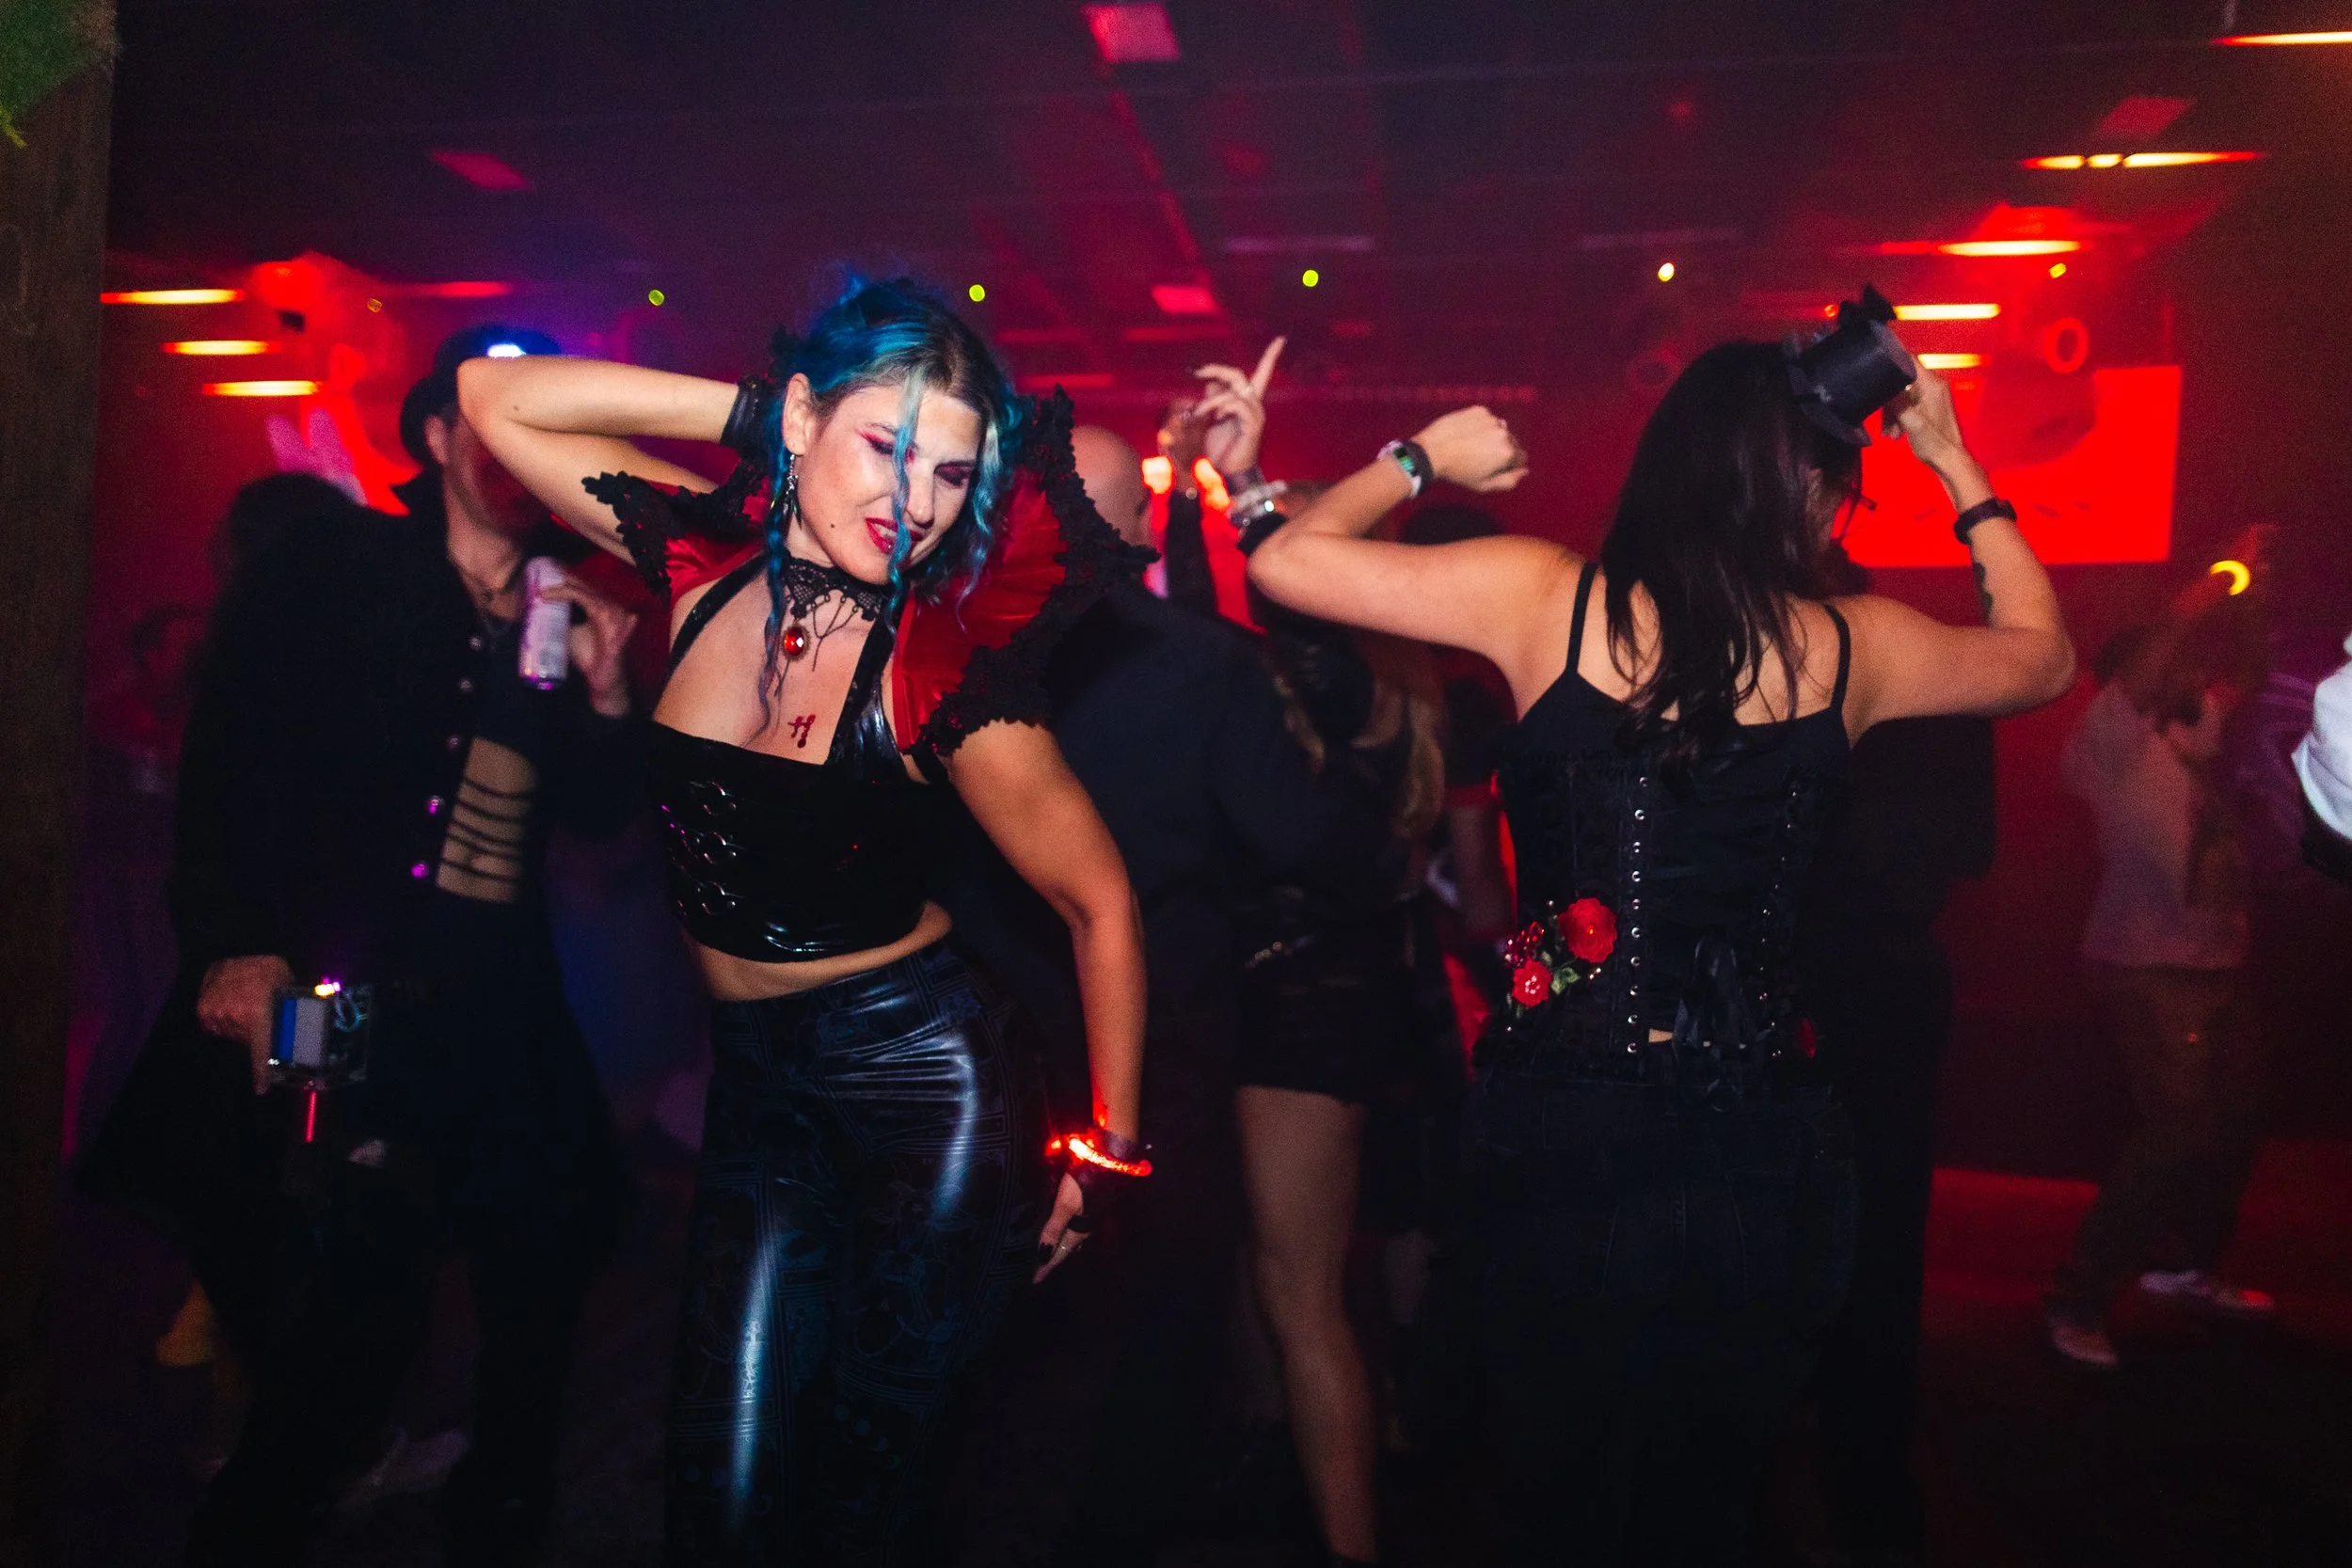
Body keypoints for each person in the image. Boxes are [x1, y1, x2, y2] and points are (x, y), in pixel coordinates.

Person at [1246, 339, 2074, 1564]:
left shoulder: (1541, 595)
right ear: (1801, 489)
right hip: (1758, 1119)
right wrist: (1957, 466)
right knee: (1710, 1494)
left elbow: (1283, 560)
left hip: (1562, 1106)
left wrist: (1422, 456)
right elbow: (2043, 653)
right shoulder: (1854, 646)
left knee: (1559, 1486)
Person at [459, 277, 1151, 1565]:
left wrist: (1106, 1150)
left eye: (951, 473)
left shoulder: (937, 667)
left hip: (927, 1090)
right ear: (800, 418)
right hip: (756, 1088)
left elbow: (1096, 898)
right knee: (717, 1487)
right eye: (886, 446)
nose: (916, 501)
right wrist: (751, 416)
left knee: (863, 1494)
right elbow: (495, 399)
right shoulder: (694, 565)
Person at [87, 323, 647, 1568]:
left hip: (502, 995)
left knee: (545, 1258)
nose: (523, 454)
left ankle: (499, 1510)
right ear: (441, 436)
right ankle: (252, 1507)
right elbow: (229, 755)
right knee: (335, 1285)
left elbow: (602, 820)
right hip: (344, 979)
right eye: (500, 425)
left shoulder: (561, 603)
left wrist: (610, 694)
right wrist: (236, 942)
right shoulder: (342, 569)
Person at [932, 419, 1376, 1565]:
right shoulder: (1204, 661)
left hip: (987, 1029)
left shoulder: (957, 644)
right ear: (1131, 525)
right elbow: (1305, 838)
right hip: (1164, 1029)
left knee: (977, 1305)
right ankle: (1120, 1528)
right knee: (1166, 1303)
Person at [1802, 546, 1996, 1562]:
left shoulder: (1771, 674)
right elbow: (1974, 850)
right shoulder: (1946, 679)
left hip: (1784, 979)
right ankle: (1871, 1481)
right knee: (1880, 1228)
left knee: (1762, 1219)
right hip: (1890, 975)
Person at [2046, 552, 2276, 1369]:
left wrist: (2255, 594)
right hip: (2145, 967)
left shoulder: (2190, 732)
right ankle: (2076, 1299)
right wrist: (2209, 587)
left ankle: (2184, 1267)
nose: (2190, 674)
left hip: (2218, 963)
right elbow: (2157, 656)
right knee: (2177, 1129)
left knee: (2238, 1118)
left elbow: (2249, 674)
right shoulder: (2109, 742)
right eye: (2173, 666)